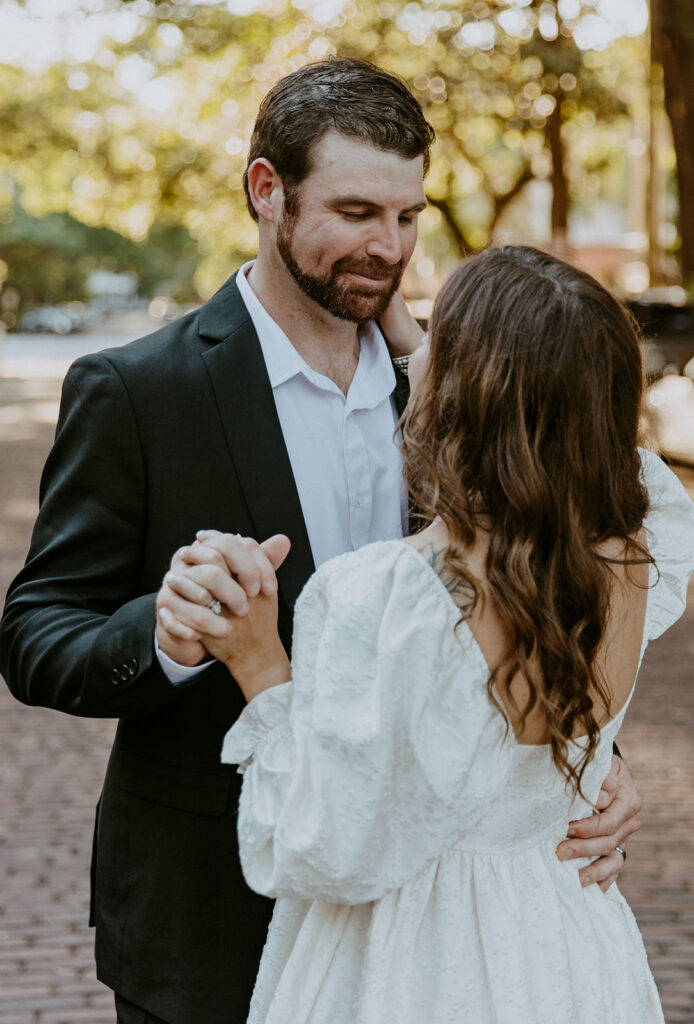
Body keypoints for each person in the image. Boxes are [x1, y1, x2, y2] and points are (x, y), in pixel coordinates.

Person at [0, 55, 637, 1023]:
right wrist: (163, 635)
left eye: (408, 217)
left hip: (426, 946)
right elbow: (36, 634)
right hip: (207, 913)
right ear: (268, 191)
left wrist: (588, 761)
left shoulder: (462, 395)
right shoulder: (137, 390)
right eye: (354, 213)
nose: (389, 249)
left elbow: (541, 590)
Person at [170, 246, 694, 1023]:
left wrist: (260, 664)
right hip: (563, 944)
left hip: (412, 963)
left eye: (431, 349)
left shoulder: (391, 595)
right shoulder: (638, 536)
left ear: (459, 389)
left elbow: (322, 847)